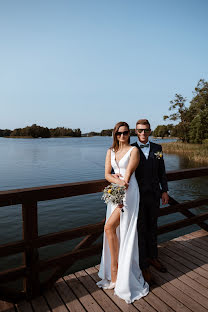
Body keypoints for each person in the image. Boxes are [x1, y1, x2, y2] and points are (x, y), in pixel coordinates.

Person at [97, 121, 149, 304]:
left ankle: (116, 272)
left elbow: (127, 178)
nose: (122, 136)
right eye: (119, 133)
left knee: (109, 227)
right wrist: (115, 181)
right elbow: (106, 175)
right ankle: (114, 271)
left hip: (129, 194)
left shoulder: (134, 151)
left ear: (129, 134)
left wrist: (118, 181)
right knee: (114, 230)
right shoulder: (110, 151)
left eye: (125, 133)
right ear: (114, 134)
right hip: (115, 194)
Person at [132, 119, 169, 284]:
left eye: (146, 130)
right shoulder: (130, 148)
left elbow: (162, 171)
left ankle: (154, 257)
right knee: (140, 229)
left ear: (150, 131)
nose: (143, 133)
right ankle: (143, 264)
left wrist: (165, 190)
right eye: (140, 130)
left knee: (153, 226)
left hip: (154, 195)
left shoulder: (157, 148)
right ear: (136, 131)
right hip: (137, 196)